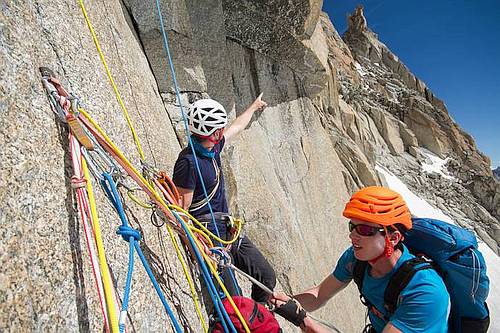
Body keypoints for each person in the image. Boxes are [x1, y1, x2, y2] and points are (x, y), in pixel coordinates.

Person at [270, 186, 450, 333]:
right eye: (352, 227)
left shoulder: (426, 292)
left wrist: (306, 323)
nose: (352, 236)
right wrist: (287, 303)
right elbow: (319, 295)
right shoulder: (357, 259)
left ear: (393, 238)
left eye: (364, 230)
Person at [172, 94, 276, 303]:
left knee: (266, 277)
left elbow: (236, 128)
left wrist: (253, 107)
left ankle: (256, 315)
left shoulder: (211, 149)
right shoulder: (189, 163)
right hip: (209, 234)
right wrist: (198, 246)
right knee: (233, 299)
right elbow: (181, 207)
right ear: (215, 133)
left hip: (227, 229)